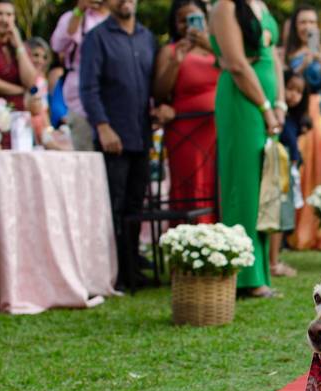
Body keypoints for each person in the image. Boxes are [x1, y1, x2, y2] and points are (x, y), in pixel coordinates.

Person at [80, 0, 156, 289]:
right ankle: (114, 275)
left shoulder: (147, 37)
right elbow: (88, 88)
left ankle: (132, 269)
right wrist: (102, 126)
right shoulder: (96, 38)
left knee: (136, 206)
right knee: (114, 207)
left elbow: (154, 85)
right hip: (113, 137)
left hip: (142, 135)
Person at [210, 0, 284, 297]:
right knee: (244, 187)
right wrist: (265, 107)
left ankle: (261, 272)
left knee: (264, 187)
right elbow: (237, 64)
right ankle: (246, 278)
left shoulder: (261, 5)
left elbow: (274, 58)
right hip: (243, 104)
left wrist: (280, 103)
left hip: (267, 107)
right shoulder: (224, 7)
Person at [152, 0, 218, 224]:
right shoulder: (169, 51)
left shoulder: (218, 47)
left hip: (219, 130)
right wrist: (175, 62)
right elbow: (160, 92)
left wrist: (210, 46)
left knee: (221, 185)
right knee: (192, 186)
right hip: (186, 132)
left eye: (193, 18)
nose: (187, 25)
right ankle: (192, 244)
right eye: (181, 20)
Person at [285, 4, 321, 251]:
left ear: (317, 26)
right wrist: (301, 65)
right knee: (301, 168)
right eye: (302, 22)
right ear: (295, 26)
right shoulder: (287, 52)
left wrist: (319, 59)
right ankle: (298, 231)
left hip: (320, 110)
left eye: (311, 22)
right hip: (298, 113)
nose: (307, 26)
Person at [51, 0, 110, 151]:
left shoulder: (120, 20)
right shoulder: (75, 16)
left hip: (114, 103)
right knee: (86, 157)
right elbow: (58, 45)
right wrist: (79, 11)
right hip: (82, 103)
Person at [274, 70, 310, 277]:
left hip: (289, 168)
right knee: (279, 212)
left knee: (286, 213)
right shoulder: (280, 116)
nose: (292, 95)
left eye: (298, 92)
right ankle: (274, 260)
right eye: (289, 88)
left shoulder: (295, 119)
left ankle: (276, 257)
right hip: (279, 166)